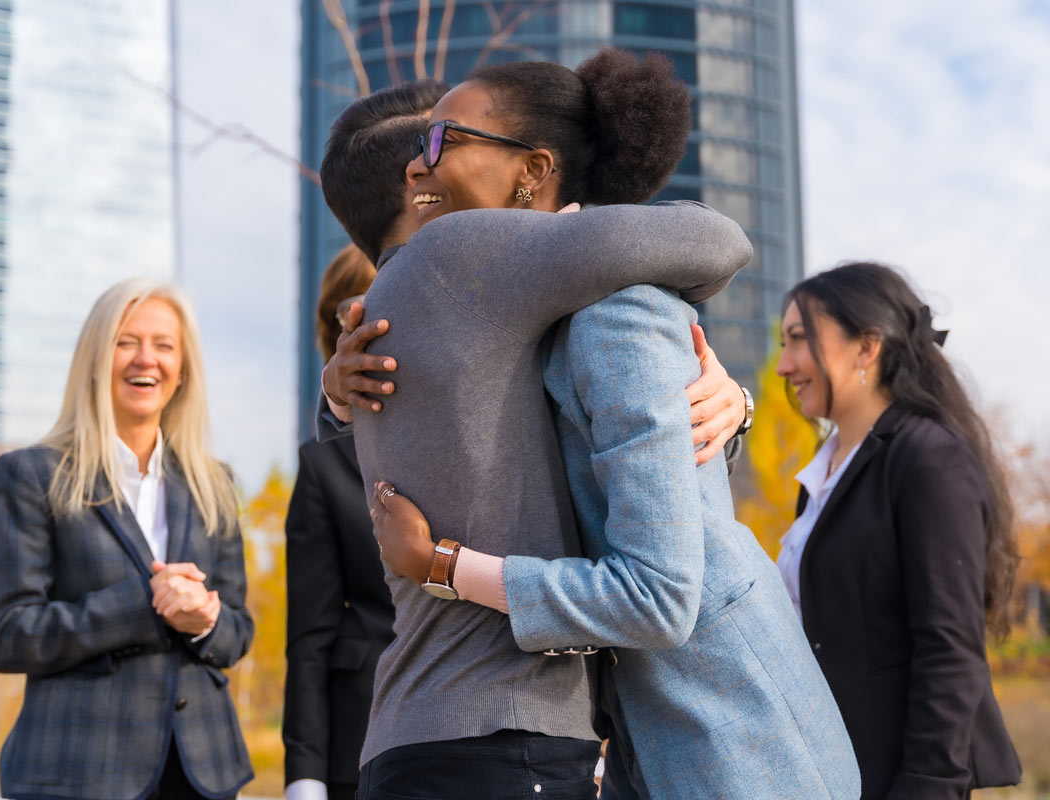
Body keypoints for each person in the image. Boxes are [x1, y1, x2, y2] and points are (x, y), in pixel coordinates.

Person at [361, 52, 860, 800]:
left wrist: (446, 566)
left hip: (734, 734)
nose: (418, 165)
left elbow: (658, 593)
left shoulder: (614, 310)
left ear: (531, 170)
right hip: (650, 735)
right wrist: (340, 392)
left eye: (441, 140)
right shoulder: (538, 312)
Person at [0, 279, 255, 800]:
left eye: (164, 345)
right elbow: (3, 634)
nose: (144, 359)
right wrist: (140, 606)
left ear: (184, 370)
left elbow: (238, 630)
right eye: (125, 342)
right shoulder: (32, 475)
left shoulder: (215, 483)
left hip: (202, 774)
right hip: (76, 771)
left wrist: (206, 620)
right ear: (93, 360)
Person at [773, 262, 1022, 798]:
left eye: (798, 340)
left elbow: (949, 647)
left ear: (867, 347)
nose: (782, 365)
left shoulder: (928, 459)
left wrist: (926, 787)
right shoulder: (825, 469)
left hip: (895, 778)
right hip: (828, 768)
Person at [283, 244, 392, 800]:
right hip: (359, 740)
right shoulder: (321, 464)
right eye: (354, 311)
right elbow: (309, 636)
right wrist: (305, 778)